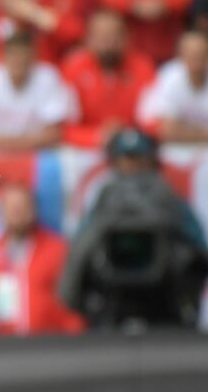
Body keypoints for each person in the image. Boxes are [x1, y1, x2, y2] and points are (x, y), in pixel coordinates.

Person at [58, 128, 207, 328]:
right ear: (114, 163)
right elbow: (79, 252)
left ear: (151, 162)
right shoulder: (103, 200)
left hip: (165, 302)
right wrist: (78, 301)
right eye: (125, 161)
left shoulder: (170, 201)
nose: (132, 168)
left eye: (139, 161)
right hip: (110, 300)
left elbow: (199, 249)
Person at [0, 184, 82, 334]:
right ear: (2, 211)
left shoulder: (58, 251)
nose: (17, 213)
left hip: (48, 343)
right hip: (2, 347)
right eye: (11, 208)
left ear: (33, 210)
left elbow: (73, 302)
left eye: (22, 207)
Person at [0, 31, 75, 148]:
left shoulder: (48, 77)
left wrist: (10, 145)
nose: (18, 61)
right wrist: (17, 145)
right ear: (2, 57)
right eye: (14, 55)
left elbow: (54, 132)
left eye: (23, 56)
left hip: (35, 154)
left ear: (34, 57)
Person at [59, 8, 155, 149]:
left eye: (113, 35)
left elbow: (153, 121)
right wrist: (98, 136)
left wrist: (126, 135)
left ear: (125, 38)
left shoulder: (142, 67)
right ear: (88, 38)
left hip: (133, 148)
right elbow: (64, 127)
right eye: (100, 36)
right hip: (86, 149)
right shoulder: (73, 68)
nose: (107, 43)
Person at [137, 28, 208, 143]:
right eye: (191, 53)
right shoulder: (169, 76)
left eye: (201, 53)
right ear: (180, 55)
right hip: (173, 148)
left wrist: (183, 130)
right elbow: (168, 131)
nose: (196, 59)